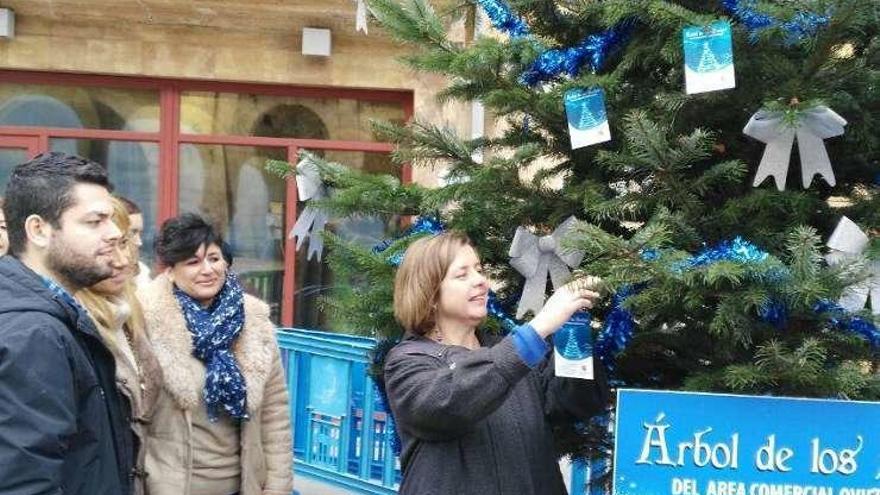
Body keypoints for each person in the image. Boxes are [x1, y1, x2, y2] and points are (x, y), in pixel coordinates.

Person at [384, 231, 610, 495]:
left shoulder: (514, 351)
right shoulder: (407, 361)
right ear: (430, 294)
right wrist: (539, 327)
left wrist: (573, 332)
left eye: (479, 270)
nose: (481, 281)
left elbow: (578, 403)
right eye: (462, 274)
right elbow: (450, 402)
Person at [0, 152, 134, 494]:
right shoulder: (35, 333)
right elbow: (25, 483)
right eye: (95, 221)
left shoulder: (48, 314)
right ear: (38, 230)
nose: (115, 232)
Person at [138, 213, 293, 495]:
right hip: (168, 487)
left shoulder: (253, 321)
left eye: (214, 258)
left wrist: (278, 487)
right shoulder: (145, 322)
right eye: (193, 262)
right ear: (170, 270)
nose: (207, 269)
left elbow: (275, 418)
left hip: (242, 486)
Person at [76, 196, 163, 495]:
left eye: (124, 243)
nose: (121, 259)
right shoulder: (70, 323)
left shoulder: (129, 310)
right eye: (106, 248)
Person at [118, 195, 152, 287]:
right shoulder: (98, 273)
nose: (139, 242)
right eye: (132, 233)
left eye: (140, 233)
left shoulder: (143, 272)